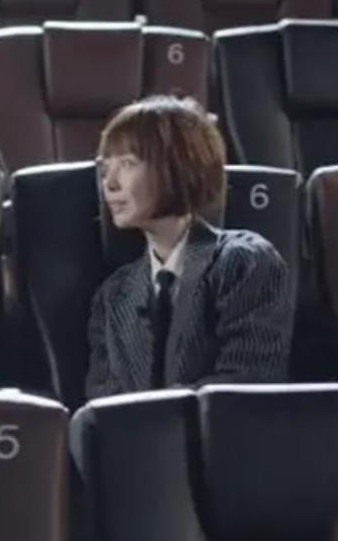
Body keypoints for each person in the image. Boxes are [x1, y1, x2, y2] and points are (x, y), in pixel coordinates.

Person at [86, 95, 294, 400]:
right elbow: (102, 404)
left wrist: (153, 417)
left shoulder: (244, 262)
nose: (110, 183)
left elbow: (246, 385)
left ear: (177, 166)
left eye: (127, 164)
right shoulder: (113, 295)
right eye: (106, 169)